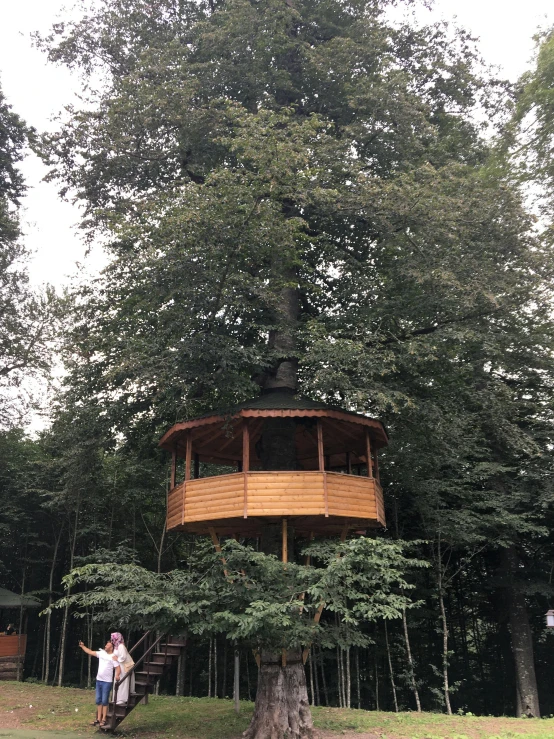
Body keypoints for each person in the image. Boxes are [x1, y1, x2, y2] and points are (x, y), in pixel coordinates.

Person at [78, 639, 120, 727]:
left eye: (107, 645)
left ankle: (104, 719)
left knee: (105, 701)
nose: (105, 646)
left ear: (111, 648)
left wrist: (117, 675)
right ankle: (98, 719)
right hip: (99, 680)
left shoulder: (113, 657)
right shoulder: (101, 653)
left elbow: (118, 668)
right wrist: (82, 646)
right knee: (98, 700)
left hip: (107, 682)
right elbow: (90, 652)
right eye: (106, 645)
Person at [110, 632, 135, 705]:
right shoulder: (116, 647)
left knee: (123, 682)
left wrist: (116, 659)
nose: (112, 640)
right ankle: (116, 698)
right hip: (119, 666)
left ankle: (122, 698)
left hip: (123, 666)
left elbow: (123, 657)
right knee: (118, 681)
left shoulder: (121, 646)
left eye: (113, 638)